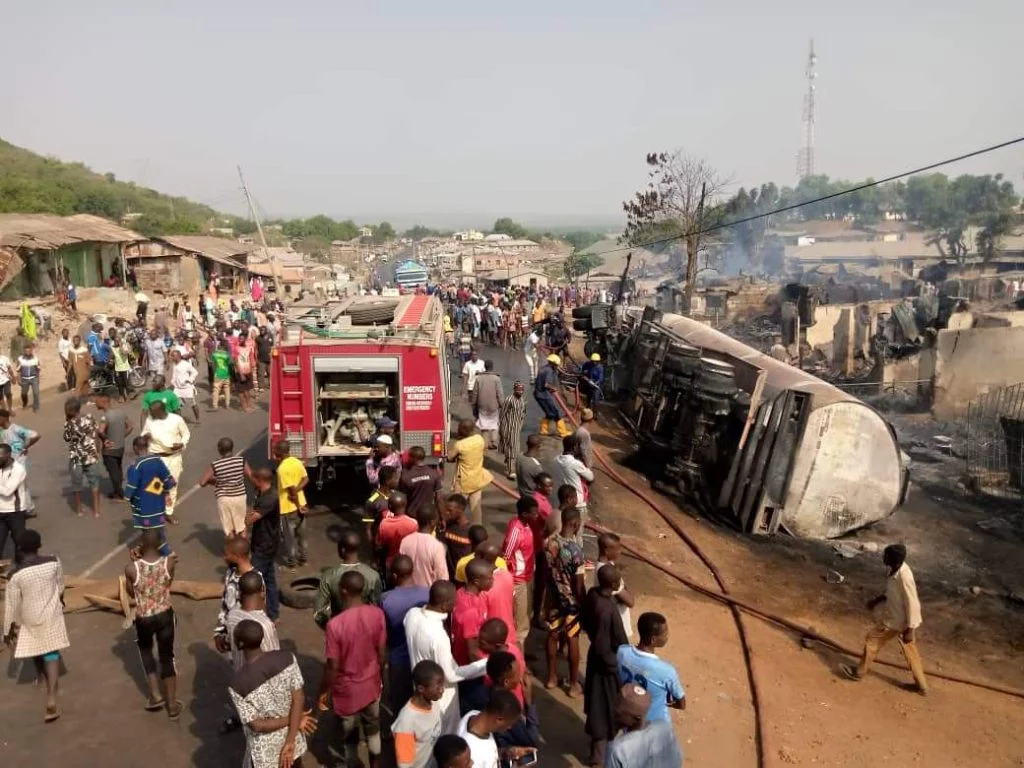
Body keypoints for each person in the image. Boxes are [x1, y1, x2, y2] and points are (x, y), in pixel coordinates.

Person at [316, 571, 387, 767]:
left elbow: (333, 666)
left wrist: (324, 690)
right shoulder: (377, 614)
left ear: (343, 591)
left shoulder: (335, 625)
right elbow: (381, 653)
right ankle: (376, 763)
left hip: (347, 691)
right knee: (373, 727)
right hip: (372, 683)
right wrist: (378, 676)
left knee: (349, 737)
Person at [840, 543, 928, 695]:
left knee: (872, 640)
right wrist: (877, 600)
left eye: (886, 556)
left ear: (895, 560)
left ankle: (858, 673)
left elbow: (912, 602)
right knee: (911, 653)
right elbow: (892, 592)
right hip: (900, 620)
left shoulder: (905, 577)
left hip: (898, 621)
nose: (883, 558)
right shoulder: (895, 570)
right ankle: (922, 687)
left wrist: (910, 629)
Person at [1, 529, 69, 723]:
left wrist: (7, 631)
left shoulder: (15, 574)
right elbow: (60, 585)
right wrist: (59, 600)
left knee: (36, 648)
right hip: (51, 614)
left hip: (29, 616)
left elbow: (12, 604)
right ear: (39, 546)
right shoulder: (53, 562)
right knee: (52, 651)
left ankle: (41, 678)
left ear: (20, 548)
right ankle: (51, 697)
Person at [228, 620, 316, 768]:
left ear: (240, 644)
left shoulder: (237, 684)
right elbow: (298, 698)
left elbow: (257, 726)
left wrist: (291, 719)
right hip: (292, 743)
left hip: (265, 755)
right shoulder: (288, 659)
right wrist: (291, 734)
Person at [404, 581, 489, 733]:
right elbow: (451, 674)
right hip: (442, 698)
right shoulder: (438, 636)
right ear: (444, 606)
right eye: (453, 602)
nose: (456, 605)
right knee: (444, 737)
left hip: (419, 687)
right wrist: (486, 665)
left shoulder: (411, 615)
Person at [125, 529, 181, 718]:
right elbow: (168, 583)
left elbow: (131, 593)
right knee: (167, 656)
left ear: (140, 546)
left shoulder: (132, 568)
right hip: (165, 613)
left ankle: (156, 695)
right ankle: (172, 704)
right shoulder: (169, 562)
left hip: (144, 617)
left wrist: (134, 561)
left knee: (146, 652)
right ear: (159, 545)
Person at [582, 564, 630, 766]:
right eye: (619, 579)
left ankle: (598, 751)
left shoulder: (593, 594)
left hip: (597, 659)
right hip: (606, 664)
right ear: (613, 584)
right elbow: (603, 645)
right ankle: (598, 758)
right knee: (604, 709)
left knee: (596, 704)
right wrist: (615, 668)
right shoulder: (606, 610)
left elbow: (584, 619)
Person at [544, 506, 585, 696]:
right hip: (570, 602)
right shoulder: (576, 551)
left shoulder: (549, 542)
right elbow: (579, 586)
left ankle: (551, 678)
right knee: (572, 638)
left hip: (553, 598)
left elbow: (547, 571)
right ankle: (573, 684)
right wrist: (583, 605)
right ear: (575, 524)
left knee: (552, 635)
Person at [381, 555, 430, 713]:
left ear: (394, 575)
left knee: (401, 708)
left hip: (398, 661)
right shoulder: (428, 594)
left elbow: (384, 632)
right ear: (412, 571)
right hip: (423, 659)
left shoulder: (386, 599)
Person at [617, 612, 685, 724]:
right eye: (665, 634)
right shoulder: (666, 671)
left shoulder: (622, 652)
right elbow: (682, 703)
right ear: (653, 640)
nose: (667, 636)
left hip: (630, 719)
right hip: (655, 724)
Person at [314, 529, 383, 628]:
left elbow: (318, 612)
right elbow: (376, 605)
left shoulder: (329, 576)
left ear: (342, 549)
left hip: (339, 627)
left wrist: (331, 627)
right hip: (365, 627)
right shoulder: (373, 575)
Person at [605, 683, 684, 768]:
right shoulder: (664, 727)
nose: (614, 714)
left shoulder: (618, 750)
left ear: (636, 718)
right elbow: (677, 760)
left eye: (618, 713)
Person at [456, 689, 533, 768]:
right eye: (509, 724)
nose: (510, 728)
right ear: (499, 719)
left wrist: (508, 752)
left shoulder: (473, 715)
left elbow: (488, 753)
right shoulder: (471, 753)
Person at [125, 435, 175, 555]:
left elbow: (131, 486)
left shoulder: (136, 466)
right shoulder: (157, 461)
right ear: (147, 447)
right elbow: (169, 480)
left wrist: (127, 497)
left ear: (135, 448)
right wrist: (166, 491)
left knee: (150, 531)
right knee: (158, 527)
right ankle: (150, 549)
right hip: (158, 503)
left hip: (143, 505)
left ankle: (167, 553)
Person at [392, 660, 446, 768]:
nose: (442, 690)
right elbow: (405, 765)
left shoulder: (433, 703)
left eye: (442, 684)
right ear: (421, 688)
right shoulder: (406, 724)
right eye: (437, 686)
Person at [142, 401, 189, 523]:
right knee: (154, 486)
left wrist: (181, 444)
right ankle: (154, 511)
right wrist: (146, 436)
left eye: (153, 412)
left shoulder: (176, 419)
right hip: (156, 458)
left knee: (172, 486)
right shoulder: (150, 420)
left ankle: (169, 512)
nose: (150, 414)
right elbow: (144, 434)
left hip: (173, 457)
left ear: (161, 411)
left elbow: (186, 434)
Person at [245, 468, 281, 621]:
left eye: (254, 479)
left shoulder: (269, 499)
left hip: (264, 545)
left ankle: (253, 614)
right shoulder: (266, 493)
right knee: (269, 579)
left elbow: (250, 519)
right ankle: (273, 613)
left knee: (252, 580)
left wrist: (248, 514)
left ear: (260, 480)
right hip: (266, 542)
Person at [503, 495, 539, 646]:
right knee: (520, 623)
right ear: (524, 514)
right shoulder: (516, 531)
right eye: (534, 513)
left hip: (528, 577)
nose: (536, 516)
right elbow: (505, 556)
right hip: (519, 581)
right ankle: (518, 660)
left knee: (525, 616)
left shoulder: (526, 525)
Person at [226, 570, 280, 670]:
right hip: (259, 680)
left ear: (240, 592)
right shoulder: (264, 625)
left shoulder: (232, 615)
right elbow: (274, 658)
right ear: (263, 590)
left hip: (239, 675)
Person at [214, 535, 259, 653]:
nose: (224, 557)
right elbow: (225, 604)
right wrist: (219, 632)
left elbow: (257, 613)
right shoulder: (230, 573)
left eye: (227, 554)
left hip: (246, 639)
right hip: (231, 634)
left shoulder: (255, 580)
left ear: (237, 556)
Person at [199, 437, 251, 537]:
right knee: (242, 526)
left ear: (219, 450)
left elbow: (202, 482)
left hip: (224, 499)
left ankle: (232, 549)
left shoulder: (215, 465)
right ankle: (243, 549)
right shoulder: (241, 460)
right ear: (232, 448)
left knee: (229, 529)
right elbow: (250, 475)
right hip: (240, 497)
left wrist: (214, 481)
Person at [63, 396, 103, 518]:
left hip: (76, 457)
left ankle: (79, 510)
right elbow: (96, 434)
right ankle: (96, 511)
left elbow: (66, 438)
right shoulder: (89, 417)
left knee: (76, 484)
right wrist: (98, 449)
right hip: (91, 455)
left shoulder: (69, 423)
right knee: (94, 484)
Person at [447, 419, 493, 526]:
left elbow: (449, 457)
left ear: (463, 430)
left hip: (463, 481)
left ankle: (456, 526)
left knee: (457, 505)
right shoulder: (480, 439)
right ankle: (478, 526)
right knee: (476, 507)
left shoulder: (460, 445)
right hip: (477, 479)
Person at [552, 434, 595, 545]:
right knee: (577, 534)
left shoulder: (556, 460)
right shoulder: (575, 463)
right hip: (577, 502)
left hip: (563, 499)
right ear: (574, 447)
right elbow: (590, 476)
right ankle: (576, 555)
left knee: (562, 530)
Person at [590, 532, 634, 640]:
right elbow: (630, 602)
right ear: (607, 551)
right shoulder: (608, 574)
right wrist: (624, 589)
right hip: (618, 625)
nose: (620, 552)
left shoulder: (606, 567)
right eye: (617, 549)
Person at [273, 439, 308, 569]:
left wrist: (298, 504)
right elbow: (306, 479)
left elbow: (291, 492)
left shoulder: (282, 469)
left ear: (280, 453)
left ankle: (292, 562)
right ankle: (304, 559)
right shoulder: (297, 462)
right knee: (302, 535)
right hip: (302, 503)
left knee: (290, 537)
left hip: (289, 507)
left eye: (276, 450)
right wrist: (299, 495)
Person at [452, 558, 495, 666]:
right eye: (489, 579)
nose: (493, 581)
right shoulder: (470, 611)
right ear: (477, 581)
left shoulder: (461, 592)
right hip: (469, 666)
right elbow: (472, 653)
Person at [399, 507, 449, 588]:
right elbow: (442, 577)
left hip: (407, 592)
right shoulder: (436, 546)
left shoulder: (405, 541)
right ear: (432, 522)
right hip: (428, 594)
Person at [95, 391, 131, 501]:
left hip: (109, 450)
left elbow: (100, 431)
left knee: (113, 471)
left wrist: (105, 439)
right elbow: (130, 426)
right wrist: (121, 436)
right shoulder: (121, 412)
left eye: (96, 401)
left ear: (103, 401)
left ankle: (120, 493)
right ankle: (117, 491)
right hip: (120, 447)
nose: (95, 404)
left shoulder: (105, 417)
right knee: (118, 468)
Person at [0, 444, 29, 559]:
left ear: (8, 455)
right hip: (0, 512)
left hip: (15, 512)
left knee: (20, 543)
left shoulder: (18, 469)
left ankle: (21, 568)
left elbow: (8, 491)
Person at [399, 446, 443, 521]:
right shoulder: (433, 473)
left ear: (413, 458)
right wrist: (442, 518)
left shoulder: (405, 475)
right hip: (428, 516)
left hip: (411, 517)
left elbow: (402, 500)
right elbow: (439, 499)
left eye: (409, 457)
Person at [377, 491, 418, 568]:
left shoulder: (384, 524)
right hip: (408, 563)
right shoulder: (413, 523)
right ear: (405, 505)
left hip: (391, 563)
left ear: (389, 507)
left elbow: (380, 545)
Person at [534, 353, 570, 438]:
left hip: (539, 394)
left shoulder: (544, 368)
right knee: (556, 413)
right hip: (544, 395)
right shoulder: (549, 371)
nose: (557, 366)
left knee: (549, 412)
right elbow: (546, 384)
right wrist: (554, 388)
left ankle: (543, 430)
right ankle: (563, 432)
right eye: (556, 364)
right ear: (553, 363)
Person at [498, 381, 527, 480]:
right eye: (518, 390)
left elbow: (523, 413)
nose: (520, 392)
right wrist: (501, 429)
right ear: (514, 390)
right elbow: (502, 414)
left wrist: (520, 425)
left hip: (517, 429)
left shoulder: (522, 400)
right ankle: (511, 471)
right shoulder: (509, 400)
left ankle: (509, 466)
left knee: (514, 449)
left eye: (522, 390)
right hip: (508, 428)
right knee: (512, 450)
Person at [473, 360, 504, 447]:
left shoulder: (479, 378)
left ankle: (485, 443)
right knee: (495, 423)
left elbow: (475, 394)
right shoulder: (496, 379)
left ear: (485, 367)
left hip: (482, 406)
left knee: (484, 425)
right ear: (492, 367)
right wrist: (502, 405)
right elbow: (500, 394)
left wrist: (474, 407)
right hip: (493, 406)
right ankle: (494, 441)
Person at [169, 348, 200, 424]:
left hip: (186, 388)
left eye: (173, 356)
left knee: (193, 404)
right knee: (176, 406)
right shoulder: (174, 364)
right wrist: (172, 382)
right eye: (172, 356)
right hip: (177, 388)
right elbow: (174, 375)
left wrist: (189, 380)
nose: (172, 357)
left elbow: (195, 372)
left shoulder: (185, 364)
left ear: (178, 356)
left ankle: (197, 419)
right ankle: (180, 421)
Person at [17, 343, 41, 412]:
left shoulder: (35, 359)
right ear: (24, 351)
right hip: (24, 379)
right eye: (26, 351)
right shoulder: (20, 359)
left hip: (34, 378)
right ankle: (25, 403)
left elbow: (38, 369)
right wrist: (19, 379)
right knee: (23, 393)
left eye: (29, 351)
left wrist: (38, 378)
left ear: (31, 351)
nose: (28, 352)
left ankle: (36, 406)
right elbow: (18, 370)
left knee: (36, 392)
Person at [210, 339, 233, 409]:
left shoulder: (214, 354)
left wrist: (214, 372)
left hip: (217, 373)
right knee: (227, 389)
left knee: (216, 389)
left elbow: (212, 364)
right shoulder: (227, 354)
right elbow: (230, 363)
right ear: (224, 347)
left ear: (219, 346)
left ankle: (215, 405)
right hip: (226, 373)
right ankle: (227, 404)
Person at [57, 328, 73, 393]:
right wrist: (63, 362)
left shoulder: (70, 339)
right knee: (69, 373)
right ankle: (70, 387)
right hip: (66, 360)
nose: (66, 334)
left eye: (67, 333)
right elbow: (60, 353)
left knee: (74, 373)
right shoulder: (61, 342)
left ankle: (74, 386)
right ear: (62, 334)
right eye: (65, 333)